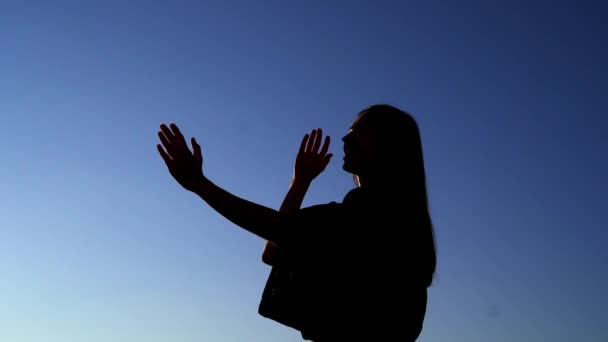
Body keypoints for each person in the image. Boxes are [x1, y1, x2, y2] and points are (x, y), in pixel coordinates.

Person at [157, 104, 437, 341]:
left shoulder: (384, 216)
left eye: (361, 131)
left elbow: (283, 231)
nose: (346, 139)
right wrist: (300, 181)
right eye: (350, 131)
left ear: (391, 144)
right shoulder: (364, 213)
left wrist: (200, 184)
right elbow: (274, 252)